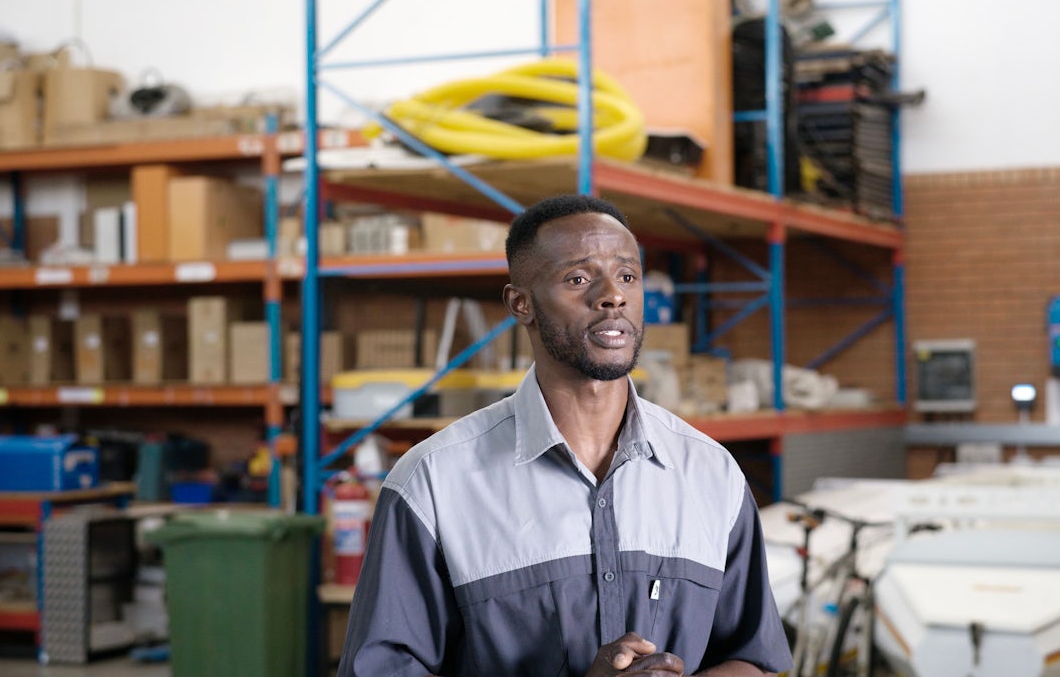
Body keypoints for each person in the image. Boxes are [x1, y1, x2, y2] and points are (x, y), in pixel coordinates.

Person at [339, 194, 792, 677]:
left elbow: (753, 660)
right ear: (521, 304)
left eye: (627, 276)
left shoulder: (711, 473)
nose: (612, 295)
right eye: (578, 279)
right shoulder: (432, 483)